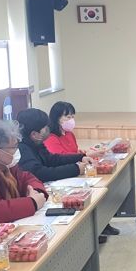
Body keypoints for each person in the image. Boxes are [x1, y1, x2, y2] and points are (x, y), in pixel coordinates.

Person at [44, 101, 119, 237]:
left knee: (101, 187)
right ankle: (94, 230)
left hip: (77, 171)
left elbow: (74, 152)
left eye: (72, 116)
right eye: (67, 117)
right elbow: (61, 158)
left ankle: (103, 224)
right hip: (65, 175)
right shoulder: (51, 138)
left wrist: (85, 153)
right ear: (56, 118)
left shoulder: (69, 134)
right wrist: (84, 155)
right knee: (91, 192)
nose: (71, 120)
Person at [17, 108, 93, 182]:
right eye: (45, 127)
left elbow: (52, 159)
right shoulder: (21, 149)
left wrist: (80, 157)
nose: (48, 129)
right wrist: (75, 169)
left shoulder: (36, 143)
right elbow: (40, 173)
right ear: (34, 134)